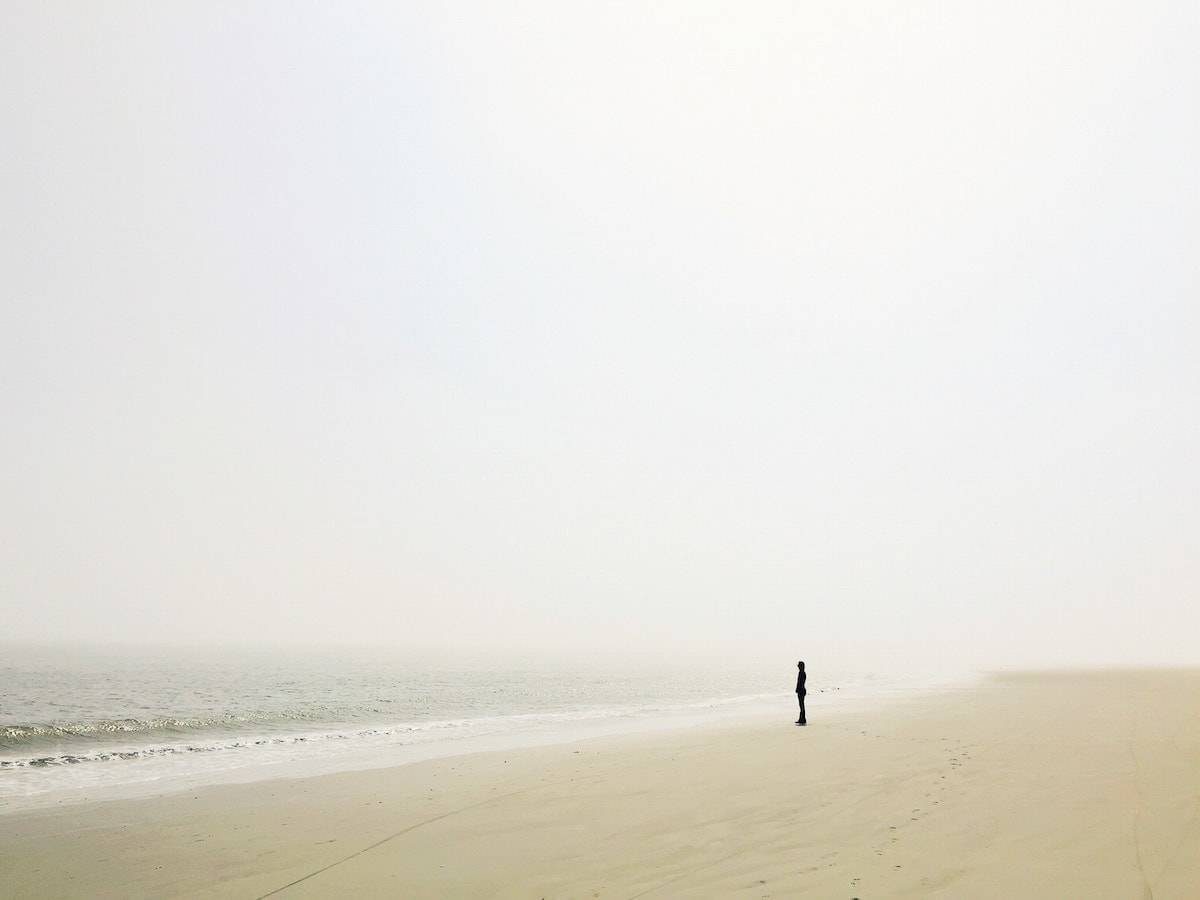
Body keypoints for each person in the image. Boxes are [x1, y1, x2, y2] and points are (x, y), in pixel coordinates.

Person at [795, 660, 807, 725]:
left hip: (801, 690)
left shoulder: (801, 673)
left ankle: (802, 719)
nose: (798, 666)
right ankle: (802, 718)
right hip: (802, 690)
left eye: (799, 665)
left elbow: (800, 683)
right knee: (801, 704)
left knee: (801, 704)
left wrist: (797, 689)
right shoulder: (803, 672)